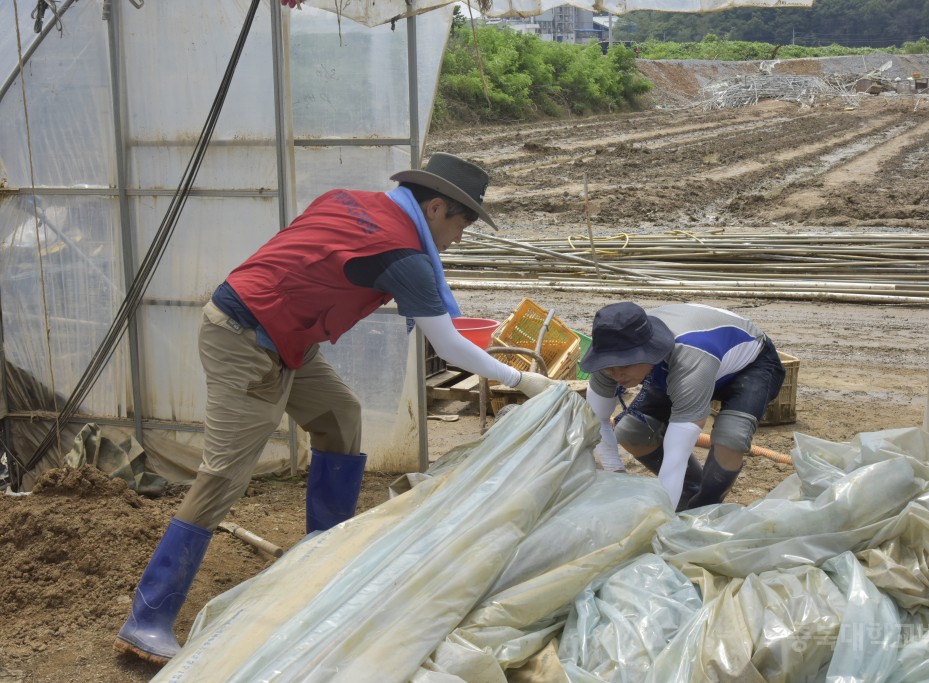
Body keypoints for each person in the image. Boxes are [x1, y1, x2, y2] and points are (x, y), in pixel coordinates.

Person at [114, 153, 558, 664]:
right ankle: (147, 617)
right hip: (244, 337)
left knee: (340, 415)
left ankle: (321, 562)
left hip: (283, 336)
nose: (457, 239)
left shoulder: (352, 202)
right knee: (224, 476)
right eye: (461, 225)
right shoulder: (404, 254)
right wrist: (523, 380)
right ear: (436, 208)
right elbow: (449, 346)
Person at [581, 302, 785, 512]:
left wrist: (660, 519)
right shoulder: (608, 352)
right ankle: (691, 488)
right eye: (609, 369)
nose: (617, 376)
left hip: (748, 367)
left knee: (730, 438)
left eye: (623, 366)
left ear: (648, 352)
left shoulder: (689, 357)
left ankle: (703, 507)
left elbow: (676, 455)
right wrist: (618, 477)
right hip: (676, 365)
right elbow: (597, 422)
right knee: (632, 432)